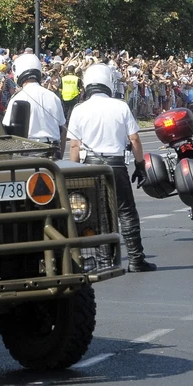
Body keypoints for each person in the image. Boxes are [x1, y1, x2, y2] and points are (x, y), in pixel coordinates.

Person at [68, 64, 155, 272]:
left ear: (87, 85)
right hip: (116, 166)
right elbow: (134, 139)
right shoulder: (121, 106)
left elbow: (74, 146)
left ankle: (104, 260)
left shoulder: (79, 110)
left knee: (99, 214)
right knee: (126, 212)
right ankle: (135, 259)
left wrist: (73, 173)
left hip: (91, 167)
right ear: (109, 83)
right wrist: (140, 165)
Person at [3, 54, 66, 156]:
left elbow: (7, 131)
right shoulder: (53, 96)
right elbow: (63, 130)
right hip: (53, 150)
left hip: (29, 150)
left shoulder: (17, 98)